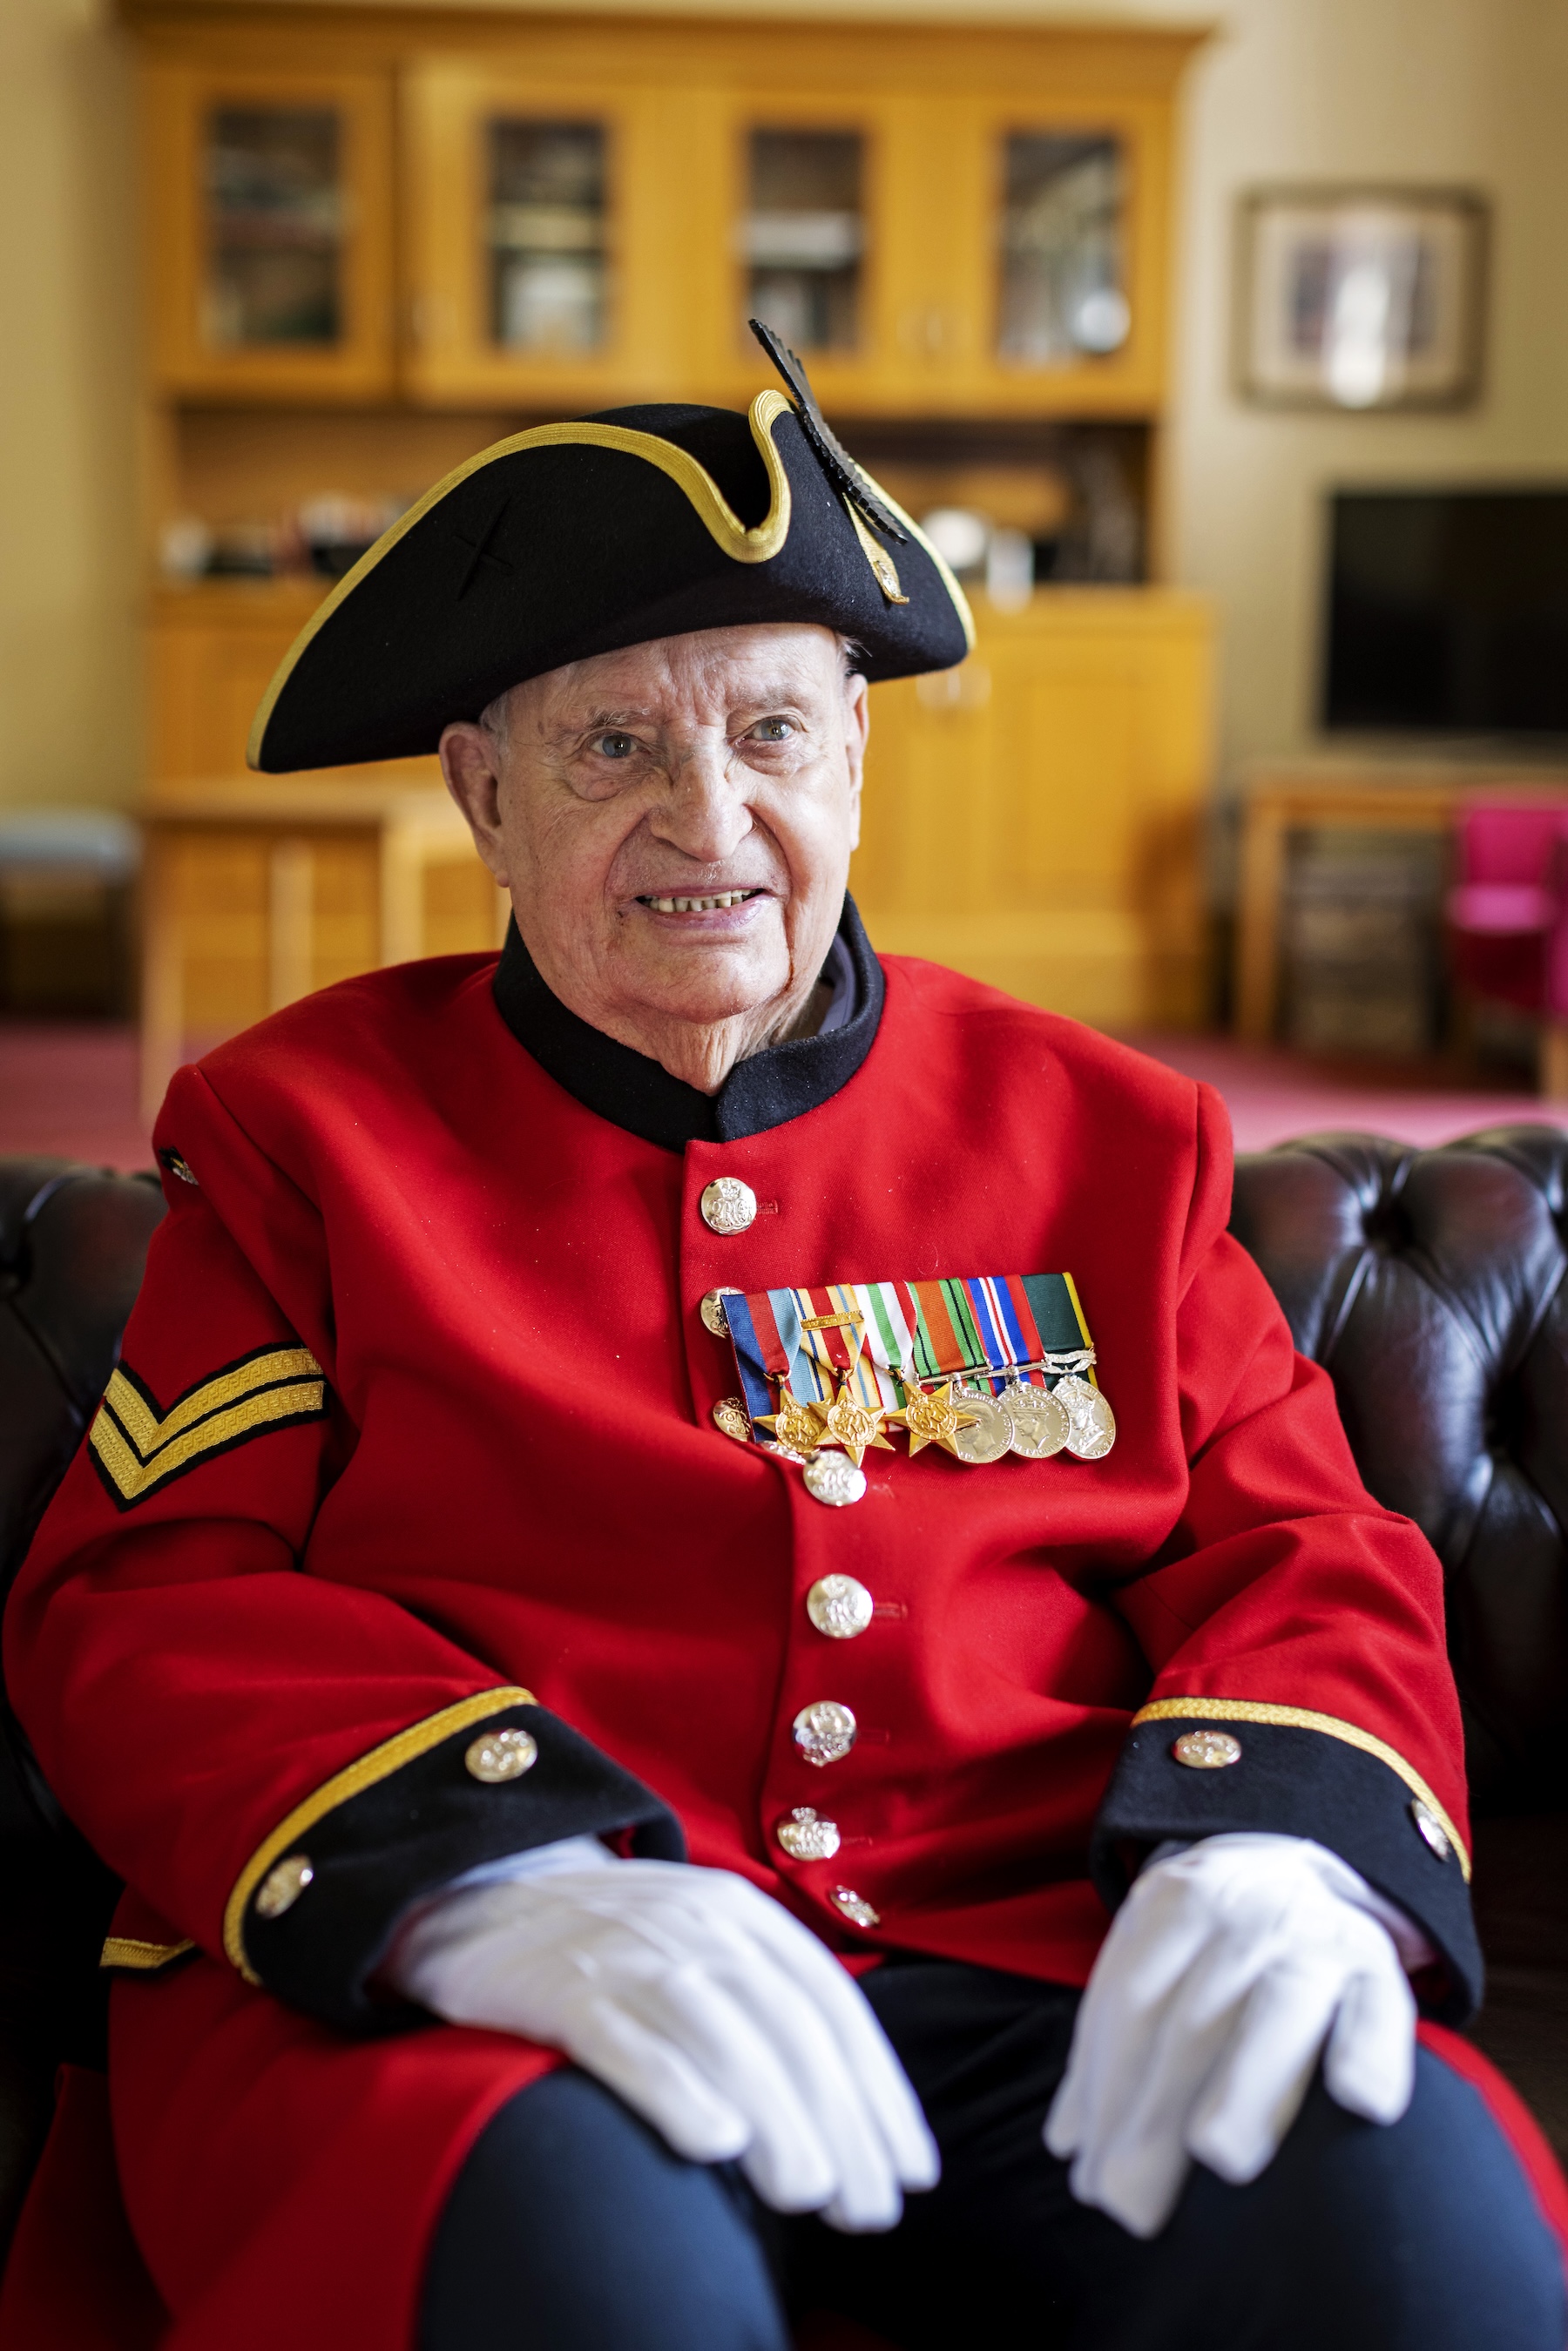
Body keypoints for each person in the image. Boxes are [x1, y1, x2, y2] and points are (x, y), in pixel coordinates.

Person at [4, 330, 1566, 2351]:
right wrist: (480, 1875)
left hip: (1040, 1967)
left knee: (1419, 2234)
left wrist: (1275, 1842)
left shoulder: (1113, 1139)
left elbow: (1305, 1548)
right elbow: (153, 1594)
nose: (709, 815)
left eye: (769, 732)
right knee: (581, 2284)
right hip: (501, 1998)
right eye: (612, 748)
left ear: (855, 762)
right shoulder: (305, 1138)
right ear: (484, 795)